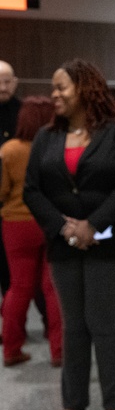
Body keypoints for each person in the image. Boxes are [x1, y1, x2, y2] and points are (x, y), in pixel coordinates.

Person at [23, 58, 115, 410]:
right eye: (53, 88)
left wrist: (93, 224)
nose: (54, 95)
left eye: (61, 87)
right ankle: (73, 403)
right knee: (72, 324)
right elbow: (32, 189)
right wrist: (64, 228)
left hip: (108, 243)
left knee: (104, 323)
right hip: (63, 244)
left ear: (84, 88)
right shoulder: (47, 136)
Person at [1, 96, 64, 367]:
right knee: (52, 289)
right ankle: (59, 352)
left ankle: (12, 349)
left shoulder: (9, 150)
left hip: (16, 225)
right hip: (50, 222)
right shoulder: (55, 146)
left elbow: (1, 191)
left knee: (18, 288)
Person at [0, 60, 24, 297]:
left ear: (15, 83)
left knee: (11, 271)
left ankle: (10, 326)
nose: (2, 87)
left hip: (15, 204)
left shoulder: (25, 114)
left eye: (7, 82)